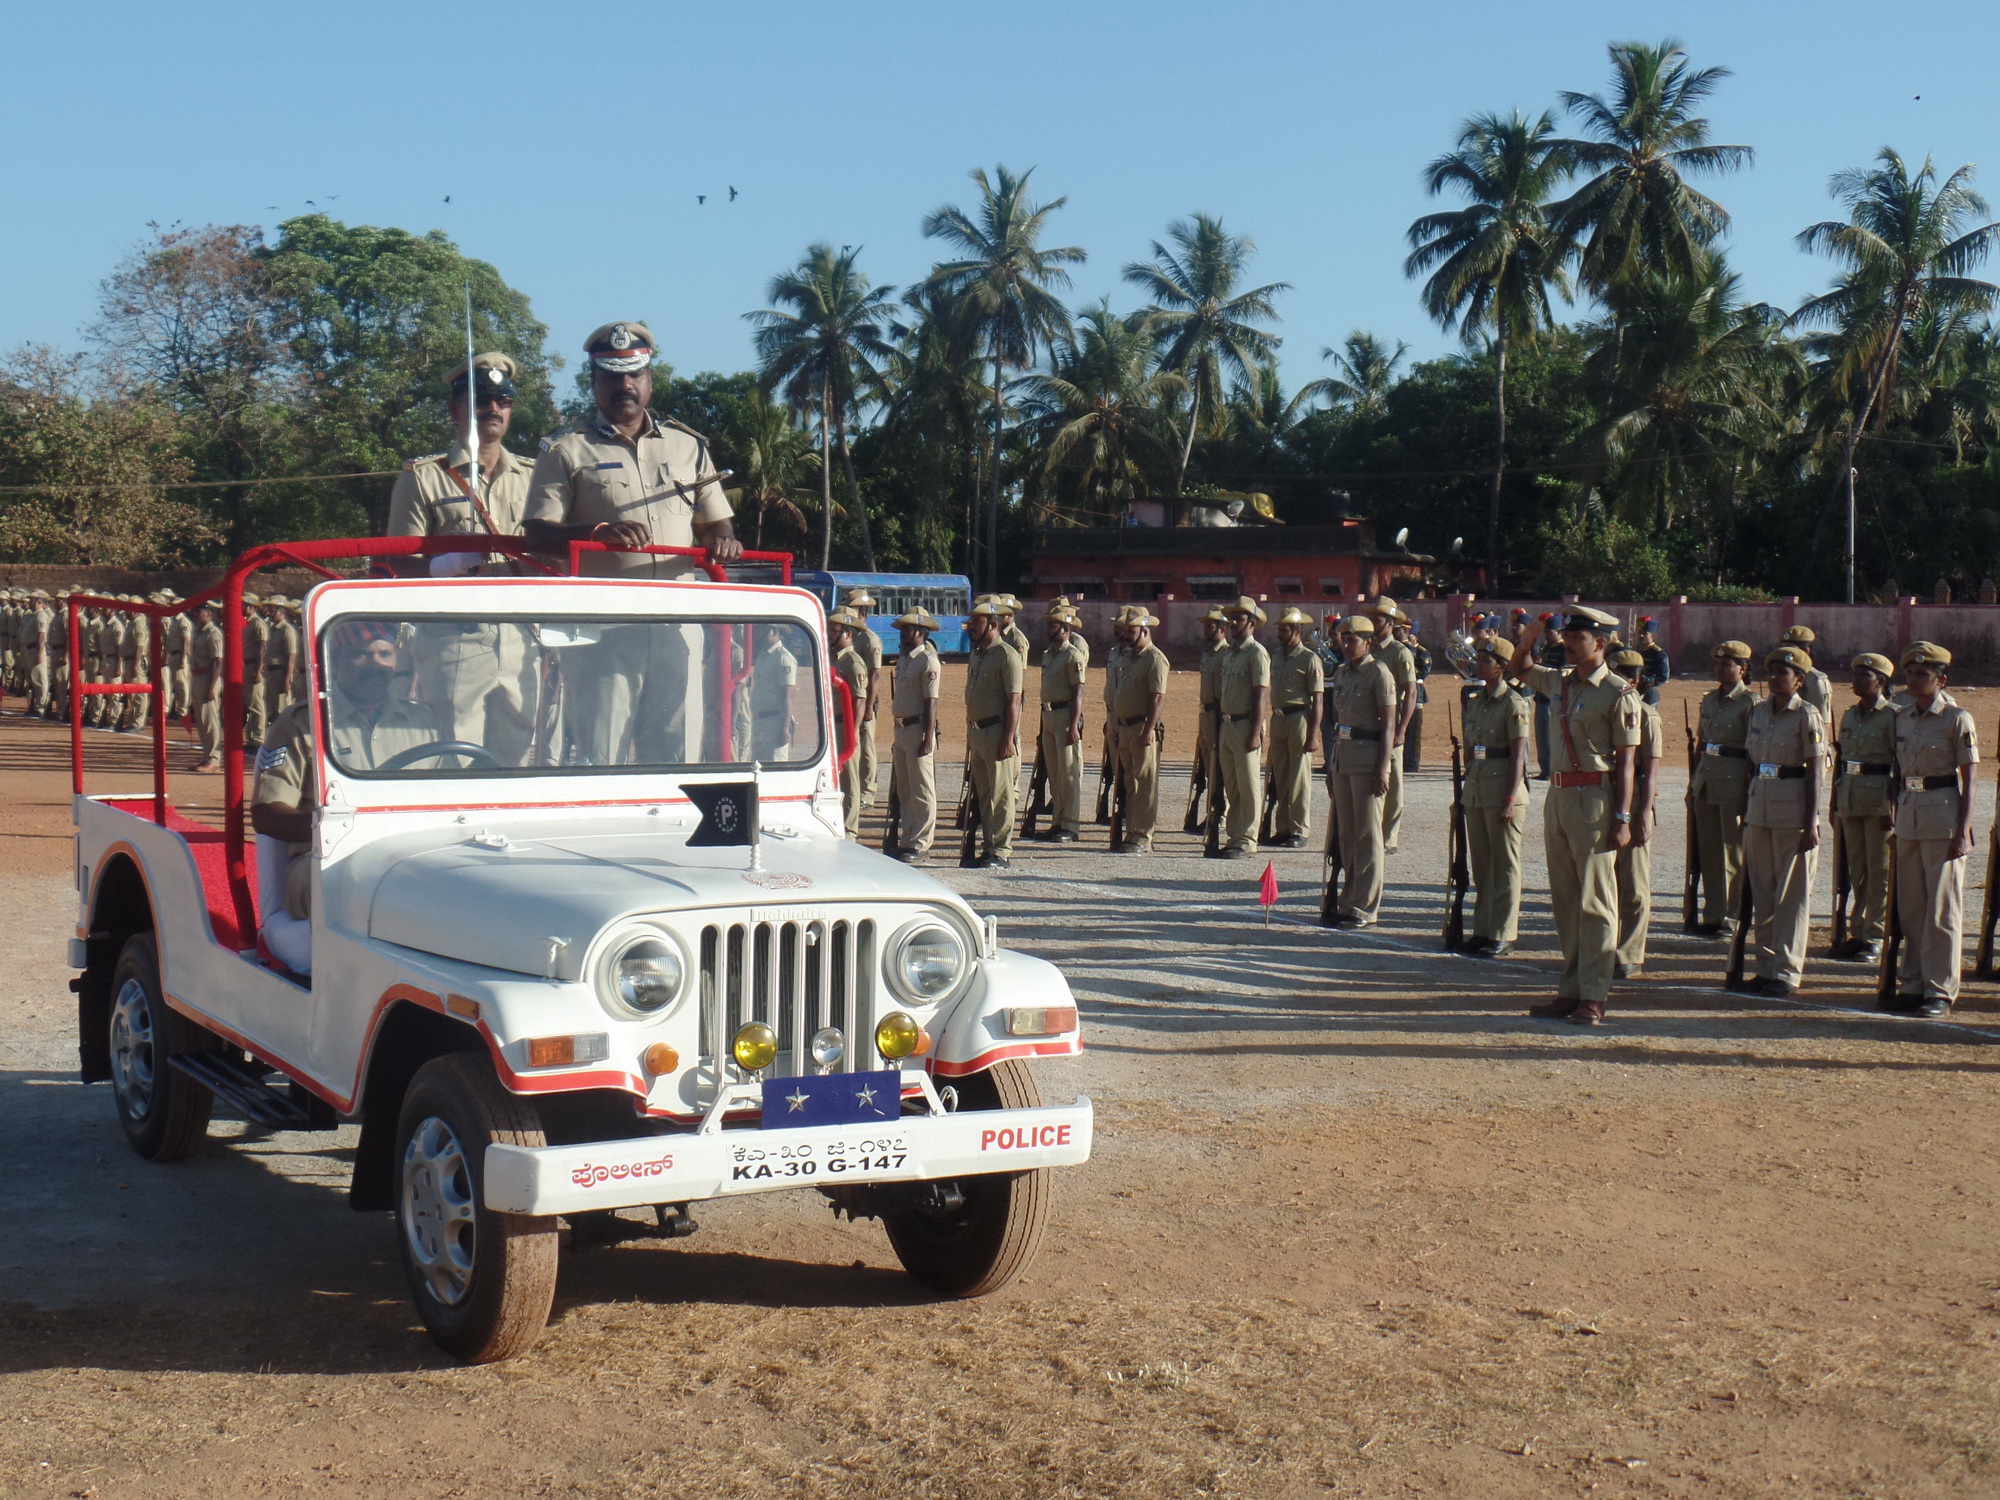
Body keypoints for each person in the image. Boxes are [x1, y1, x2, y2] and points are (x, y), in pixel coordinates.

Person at [522, 321, 742, 764]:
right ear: (595, 382)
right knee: (603, 755)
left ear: (649, 380)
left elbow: (718, 525)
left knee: (678, 753)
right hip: (604, 630)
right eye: (611, 376)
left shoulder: (688, 447)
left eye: (634, 374)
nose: (624, 385)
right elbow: (537, 536)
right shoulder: (565, 449)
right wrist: (597, 534)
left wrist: (723, 541)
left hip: (678, 625)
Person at [252, 621, 442, 976]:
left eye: (384, 654)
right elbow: (266, 814)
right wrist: (337, 830)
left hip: (411, 856)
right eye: (360, 655)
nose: (375, 664)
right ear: (335, 660)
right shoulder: (302, 723)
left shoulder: (422, 722)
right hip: (323, 859)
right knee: (360, 889)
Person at [387, 352, 543, 764]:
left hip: (523, 636)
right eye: (481, 400)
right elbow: (397, 562)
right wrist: (448, 564)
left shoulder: (535, 476)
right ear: (456, 408)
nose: (493, 410)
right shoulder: (423, 476)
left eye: (503, 401)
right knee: (455, 756)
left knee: (517, 758)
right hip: (453, 636)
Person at [1503, 606, 1640, 1026]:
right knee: (1565, 900)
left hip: (1595, 798)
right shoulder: (1560, 682)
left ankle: (1594, 995)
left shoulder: (1619, 693)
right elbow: (1521, 669)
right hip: (1559, 796)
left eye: (1576, 639)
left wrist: (1623, 817)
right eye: (1566, 638)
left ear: (1599, 644)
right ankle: (1571, 988)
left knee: (1597, 902)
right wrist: (1529, 637)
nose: (1566, 644)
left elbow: (1628, 762)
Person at [1888, 641, 1978, 1017]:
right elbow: (1899, 772)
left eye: (1922, 674)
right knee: (1912, 908)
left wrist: (1963, 830)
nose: (1913, 679)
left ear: (1941, 679)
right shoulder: (1902, 717)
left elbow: (1969, 778)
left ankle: (1939, 989)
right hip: (1909, 815)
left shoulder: (1957, 718)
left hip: (1943, 815)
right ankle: (1913, 982)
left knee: (1942, 910)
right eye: (1910, 672)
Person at [1738, 647, 1826, 997]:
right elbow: (1751, 763)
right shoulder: (1759, 713)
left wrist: (1811, 821)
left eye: (1783, 672)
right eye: (1771, 670)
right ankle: (1765, 966)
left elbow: (1816, 772)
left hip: (1792, 810)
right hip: (1760, 808)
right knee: (1763, 892)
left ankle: (1787, 971)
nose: (1774, 677)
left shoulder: (1808, 715)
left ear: (1799, 680)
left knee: (1791, 896)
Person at [1325, 615, 1397, 924]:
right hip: (1344, 757)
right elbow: (1338, 723)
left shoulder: (1379, 673)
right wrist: (1331, 765)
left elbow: (1389, 725)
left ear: (1368, 642)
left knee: (1368, 836)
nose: (1345, 643)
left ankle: (1365, 907)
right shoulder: (1341, 674)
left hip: (1368, 760)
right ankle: (1347, 900)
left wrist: (1383, 768)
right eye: (1343, 638)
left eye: (1352, 639)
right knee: (1347, 835)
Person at [1461, 637, 1530, 957]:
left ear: (1502, 666)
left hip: (1503, 790)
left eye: (1486, 659)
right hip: (1477, 789)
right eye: (1479, 658)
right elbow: (1470, 750)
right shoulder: (1475, 700)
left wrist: (1510, 798)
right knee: (1483, 865)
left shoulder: (1514, 703)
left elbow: (1519, 757)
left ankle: (1503, 932)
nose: (1479, 663)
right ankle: (1483, 929)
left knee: (1504, 866)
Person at [1831, 653, 1898, 962]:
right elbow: (1843, 761)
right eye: (1855, 674)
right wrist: (1835, 800)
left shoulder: (1895, 715)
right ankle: (1858, 932)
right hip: (1851, 796)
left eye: (1863, 675)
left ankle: (1876, 934)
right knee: (1857, 869)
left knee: (1880, 870)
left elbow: (1899, 764)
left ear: (1880, 682)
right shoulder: (1849, 715)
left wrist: (1893, 804)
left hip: (1879, 799)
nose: (1855, 681)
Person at [1688, 641, 1756, 938]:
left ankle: (1732, 915)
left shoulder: (1750, 704)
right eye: (1717, 663)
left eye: (1727, 664)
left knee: (1733, 851)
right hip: (1707, 777)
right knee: (1710, 851)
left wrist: (1747, 791)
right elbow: (1702, 742)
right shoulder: (1710, 699)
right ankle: (1713, 913)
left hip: (1734, 776)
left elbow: (1754, 752)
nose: (1720, 668)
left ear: (1742, 668)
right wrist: (1693, 784)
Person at [1609, 649, 1664, 978]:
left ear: (1637, 679)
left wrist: (1643, 814)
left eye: (1625, 674)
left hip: (1635, 798)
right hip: (1607, 796)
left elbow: (1651, 771)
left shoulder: (1646, 715)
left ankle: (1629, 953)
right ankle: (1607, 946)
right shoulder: (1609, 708)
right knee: (1608, 880)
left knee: (1633, 882)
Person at [963, 599, 1023, 868]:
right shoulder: (977, 654)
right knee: (985, 794)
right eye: (972, 622)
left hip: (997, 731)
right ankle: (988, 846)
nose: (972, 627)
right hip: (978, 733)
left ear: (994, 625)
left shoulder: (1007, 656)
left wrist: (1009, 738)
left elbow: (1014, 701)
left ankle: (1001, 850)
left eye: (977, 622)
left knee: (1000, 794)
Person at [1107, 605, 1167, 854]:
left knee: (1144, 785)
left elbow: (1157, 698)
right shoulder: (1128, 658)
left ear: (1144, 630)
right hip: (1124, 728)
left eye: (1130, 630)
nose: (1125, 634)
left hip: (1142, 728)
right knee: (1129, 783)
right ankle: (1131, 831)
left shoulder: (1155, 658)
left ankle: (1143, 835)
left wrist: (1148, 730)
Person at [1216, 597, 1271, 859]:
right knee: (1232, 784)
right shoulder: (1229, 653)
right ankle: (1235, 834)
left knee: (1248, 784)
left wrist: (1255, 731)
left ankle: (1248, 838)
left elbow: (1261, 694)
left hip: (1246, 723)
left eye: (1238, 619)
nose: (1232, 623)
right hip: (1227, 724)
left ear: (1251, 623)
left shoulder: (1256, 653)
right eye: (1231, 618)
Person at [1265, 606, 1324, 848]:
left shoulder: (1310, 659)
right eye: (1279, 629)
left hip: (1299, 719)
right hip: (1278, 720)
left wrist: (1314, 733)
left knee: (1299, 777)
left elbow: (1318, 698)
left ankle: (1299, 830)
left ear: (1297, 631)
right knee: (1281, 777)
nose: (1280, 633)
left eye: (1285, 629)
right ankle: (1283, 828)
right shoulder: (1276, 657)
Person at [888, 608, 941, 863]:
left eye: (907, 629)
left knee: (922, 789)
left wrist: (928, 737)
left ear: (920, 632)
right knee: (906, 789)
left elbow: (931, 701)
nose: (902, 634)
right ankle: (907, 838)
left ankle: (921, 842)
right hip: (901, 729)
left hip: (918, 728)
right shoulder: (905, 659)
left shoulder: (928, 661)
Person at [1364, 597, 1417, 851]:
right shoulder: (1370, 650)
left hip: (1391, 724)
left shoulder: (1400, 652)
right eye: (1373, 618)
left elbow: (1411, 692)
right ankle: (1372, 830)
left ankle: (1389, 836)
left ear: (1391, 623)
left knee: (1393, 781)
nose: (1374, 623)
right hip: (1370, 723)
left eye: (1379, 619)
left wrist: (1402, 728)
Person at [1036, 600, 1087, 843]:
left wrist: (1074, 724)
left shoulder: (1072, 655)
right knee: (1055, 773)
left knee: (1068, 773)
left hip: (1066, 716)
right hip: (1049, 715)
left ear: (1065, 629)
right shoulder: (1049, 656)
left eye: (1053, 625)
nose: (1049, 629)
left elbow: (1078, 691)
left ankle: (1071, 824)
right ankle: (1057, 821)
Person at [827, 608, 871, 837]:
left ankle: (850, 831)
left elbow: (860, 702)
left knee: (850, 782)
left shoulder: (854, 663)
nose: (830, 635)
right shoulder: (833, 660)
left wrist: (852, 737)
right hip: (833, 727)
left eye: (835, 631)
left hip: (846, 727)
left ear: (848, 634)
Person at [842, 588, 884, 810]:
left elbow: (876, 674)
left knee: (866, 747)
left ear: (863, 612)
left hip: (865, 700)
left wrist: (869, 705)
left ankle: (868, 791)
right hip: (849, 701)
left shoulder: (870, 640)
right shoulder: (853, 636)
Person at [1193, 605, 1229, 834]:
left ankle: (1221, 815)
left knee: (1219, 766)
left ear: (1222, 629)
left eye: (1211, 625)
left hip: (1218, 715)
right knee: (1207, 766)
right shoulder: (1207, 653)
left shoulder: (1226, 654)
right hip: (1205, 714)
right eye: (1206, 625)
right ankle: (1210, 813)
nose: (1206, 629)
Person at [750, 622, 800, 762]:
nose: (758, 632)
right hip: (760, 720)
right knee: (757, 767)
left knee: (775, 765)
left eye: (762, 629)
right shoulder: (763, 655)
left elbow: (788, 695)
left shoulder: (783, 657)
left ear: (774, 631)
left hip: (775, 721)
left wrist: (784, 727)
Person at [188, 603, 224, 773]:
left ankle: (214, 758)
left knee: (210, 720)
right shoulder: (199, 631)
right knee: (202, 720)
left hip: (209, 678)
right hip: (198, 676)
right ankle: (206, 756)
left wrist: (211, 687)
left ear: (209, 613)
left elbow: (218, 662)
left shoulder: (213, 633)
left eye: (199, 611)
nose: (196, 614)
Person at [1777, 626, 1835, 716]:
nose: (1784, 654)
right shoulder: (1777, 676)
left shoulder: (1816, 680)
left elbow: (1822, 721)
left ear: (1805, 651)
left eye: (1790, 651)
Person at [260, 596, 296, 729]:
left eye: (273, 608)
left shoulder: (287, 630)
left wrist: (287, 679)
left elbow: (291, 656)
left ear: (282, 611)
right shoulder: (274, 630)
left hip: (281, 672)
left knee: (283, 710)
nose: (269, 611)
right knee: (273, 710)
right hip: (272, 673)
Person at [1399, 618, 1430, 773]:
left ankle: (1412, 762)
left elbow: (1422, 673)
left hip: (1416, 694)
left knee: (1414, 730)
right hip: (1399, 693)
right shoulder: (1397, 650)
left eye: (1407, 632)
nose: (1402, 635)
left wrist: (1410, 650)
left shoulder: (1422, 652)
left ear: (1415, 636)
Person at [241, 591, 270, 745]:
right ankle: (251, 737)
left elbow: (263, 648)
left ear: (251, 607)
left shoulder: (258, 624)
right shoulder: (250, 623)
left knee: (256, 704)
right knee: (250, 703)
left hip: (254, 665)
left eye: (244, 605)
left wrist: (258, 670)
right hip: (248, 664)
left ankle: (258, 738)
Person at [1633, 616, 1669, 706]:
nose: (1641, 636)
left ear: (1652, 636)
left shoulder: (1658, 654)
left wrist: (1648, 681)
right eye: (1639, 633)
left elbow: (1663, 677)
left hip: (1649, 693)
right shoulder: (1635, 651)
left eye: (1645, 633)